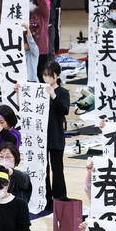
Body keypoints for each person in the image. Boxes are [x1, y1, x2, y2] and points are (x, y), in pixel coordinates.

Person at [40, 61, 69, 208]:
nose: (46, 78)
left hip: (56, 135)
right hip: (42, 136)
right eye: (44, 75)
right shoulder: (40, 90)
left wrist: (53, 96)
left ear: (57, 76)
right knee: (43, 168)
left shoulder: (63, 92)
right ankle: (45, 199)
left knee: (57, 168)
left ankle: (60, 198)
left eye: (50, 76)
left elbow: (64, 110)